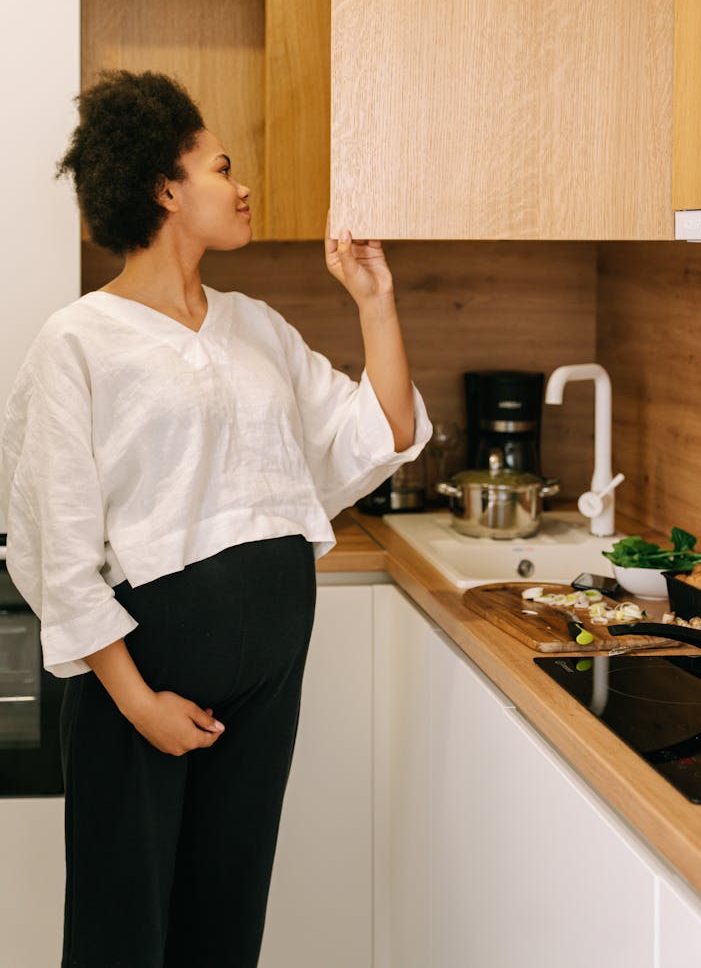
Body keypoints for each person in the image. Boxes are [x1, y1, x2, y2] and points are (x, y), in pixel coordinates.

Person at [0, 70, 431, 968]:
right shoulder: (78, 343)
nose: (242, 187)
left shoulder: (254, 327)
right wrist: (137, 703)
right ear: (164, 187)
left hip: (268, 679)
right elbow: (54, 552)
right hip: (141, 687)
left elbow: (382, 431)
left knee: (226, 926)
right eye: (221, 166)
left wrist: (374, 300)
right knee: (125, 936)